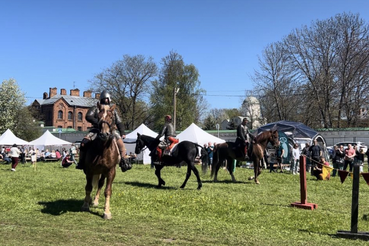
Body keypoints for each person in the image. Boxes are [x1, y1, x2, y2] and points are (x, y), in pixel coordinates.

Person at [76, 90, 129, 172]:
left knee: (121, 143)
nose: (106, 100)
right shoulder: (96, 108)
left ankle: (124, 162)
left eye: (107, 99)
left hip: (111, 130)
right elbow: (88, 116)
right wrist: (99, 123)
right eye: (104, 99)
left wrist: (122, 132)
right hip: (96, 129)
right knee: (84, 143)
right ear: (101, 99)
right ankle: (81, 162)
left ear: (109, 99)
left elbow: (119, 122)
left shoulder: (112, 110)